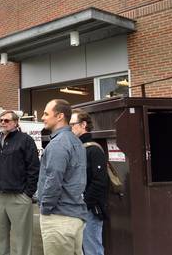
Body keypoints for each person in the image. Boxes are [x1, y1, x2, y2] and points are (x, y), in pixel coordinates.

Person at [0, 110, 40, 255]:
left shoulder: (25, 140)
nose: (2, 123)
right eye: (0, 120)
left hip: (18, 197)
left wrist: (28, 193)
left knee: (22, 239)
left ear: (16, 123)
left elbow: (34, 168)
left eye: (6, 120)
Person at [38, 99, 88, 255]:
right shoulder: (75, 141)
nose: (42, 117)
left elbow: (53, 181)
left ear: (59, 116)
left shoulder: (58, 144)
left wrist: (45, 208)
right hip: (72, 216)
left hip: (59, 218)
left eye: (46, 113)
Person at [70, 109, 109, 255]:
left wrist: (85, 204)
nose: (70, 128)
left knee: (92, 249)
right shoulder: (76, 147)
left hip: (90, 210)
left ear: (83, 124)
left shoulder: (93, 149)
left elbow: (99, 182)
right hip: (77, 208)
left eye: (72, 124)